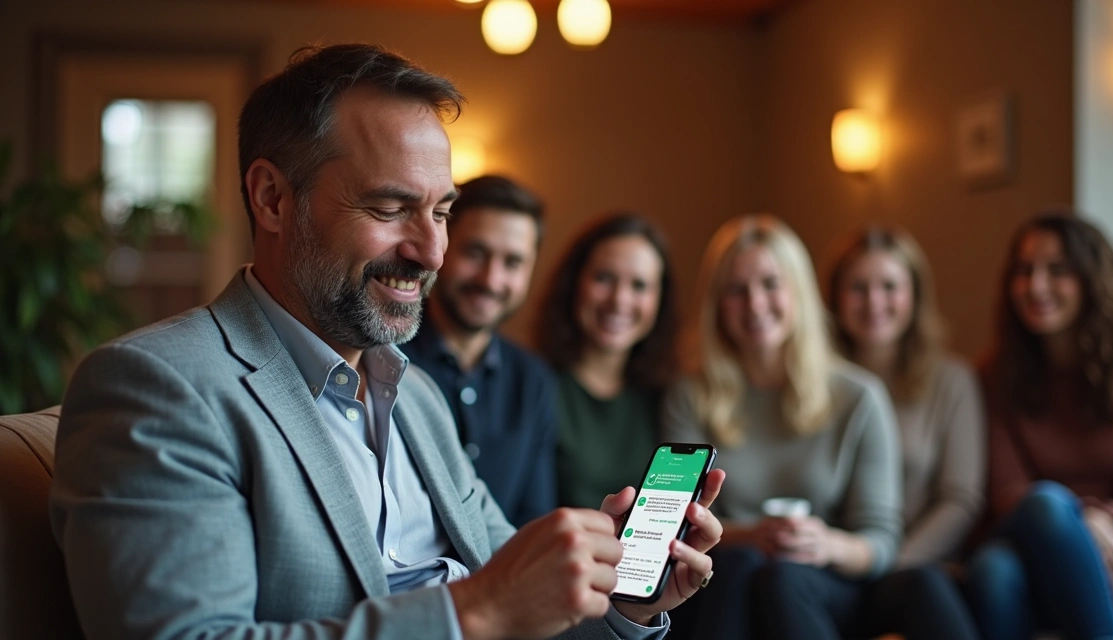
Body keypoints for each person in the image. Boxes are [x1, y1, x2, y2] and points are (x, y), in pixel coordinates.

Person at [48, 43, 724, 640]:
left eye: (441, 212)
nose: (432, 252)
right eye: (390, 208)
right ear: (272, 198)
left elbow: (522, 607)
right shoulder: (157, 388)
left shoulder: (417, 396)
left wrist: (619, 604)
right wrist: (476, 610)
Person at [664, 214, 979, 640]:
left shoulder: (859, 396)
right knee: (741, 566)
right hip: (723, 580)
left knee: (797, 578)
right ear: (717, 303)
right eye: (736, 290)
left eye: (771, 284)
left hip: (825, 582)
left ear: (799, 292)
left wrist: (826, 544)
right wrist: (753, 536)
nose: (755, 303)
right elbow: (675, 523)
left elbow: (881, 540)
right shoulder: (689, 396)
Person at [965, 212, 1113, 639]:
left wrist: (1105, 521)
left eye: (1058, 270)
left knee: (1043, 508)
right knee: (993, 570)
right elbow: (1008, 491)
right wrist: (1080, 525)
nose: (1036, 285)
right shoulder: (995, 374)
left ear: (1094, 281)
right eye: (1024, 270)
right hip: (1031, 538)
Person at [400, 174, 557, 526]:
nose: (490, 279)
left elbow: (534, 522)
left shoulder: (534, 381)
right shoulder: (382, 358)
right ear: (441, 245)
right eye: (475, 253)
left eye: (512, 262)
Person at [825, 225, 985, 568]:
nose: (874, 302)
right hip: (830, 563)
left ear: (914, 295)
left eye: (889, 286)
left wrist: (892, 563)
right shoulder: (815, 383)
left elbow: (960, 500)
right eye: (858, 287)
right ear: (835, 297)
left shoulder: (952, 382)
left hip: (914, 566)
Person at [535, 213, 679, 510]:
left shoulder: (667, 396)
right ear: (574, 283)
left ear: (659, 300)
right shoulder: (535, 386)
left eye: (639, 285)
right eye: (604, 278)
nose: (619, 300)